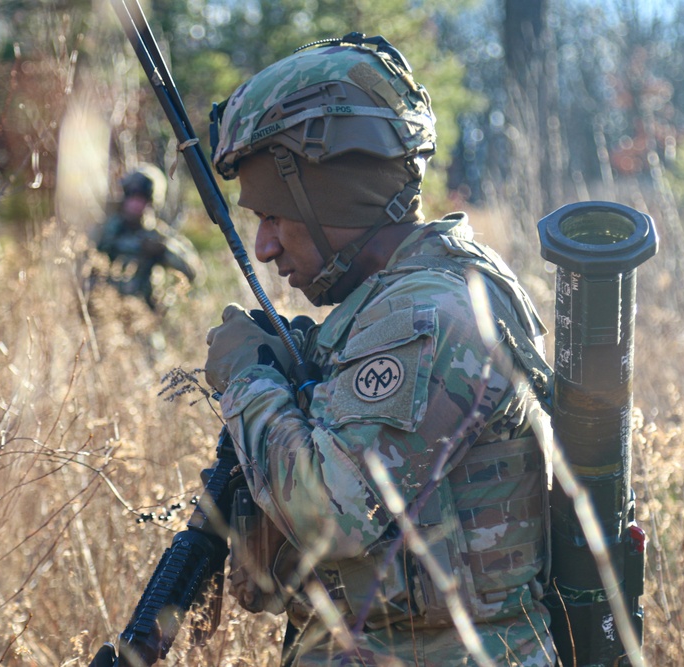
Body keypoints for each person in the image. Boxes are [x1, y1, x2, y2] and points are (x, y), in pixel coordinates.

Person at [202, 34, 556, 666]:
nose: (264, 248)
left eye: (275, 216)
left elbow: (327, 515)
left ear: (333, 198)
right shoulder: (392, 306)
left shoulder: (426, 317)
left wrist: (248, 382)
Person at [93, 165, 199, 310]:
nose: (135, 204)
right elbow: (82, 265)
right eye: (132, 196)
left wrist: (164, 251)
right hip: (106, 313)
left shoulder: (159, 236)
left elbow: (193, 271)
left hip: (144, 315)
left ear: (152, 202)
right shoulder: (107, 231)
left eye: (142, 198)